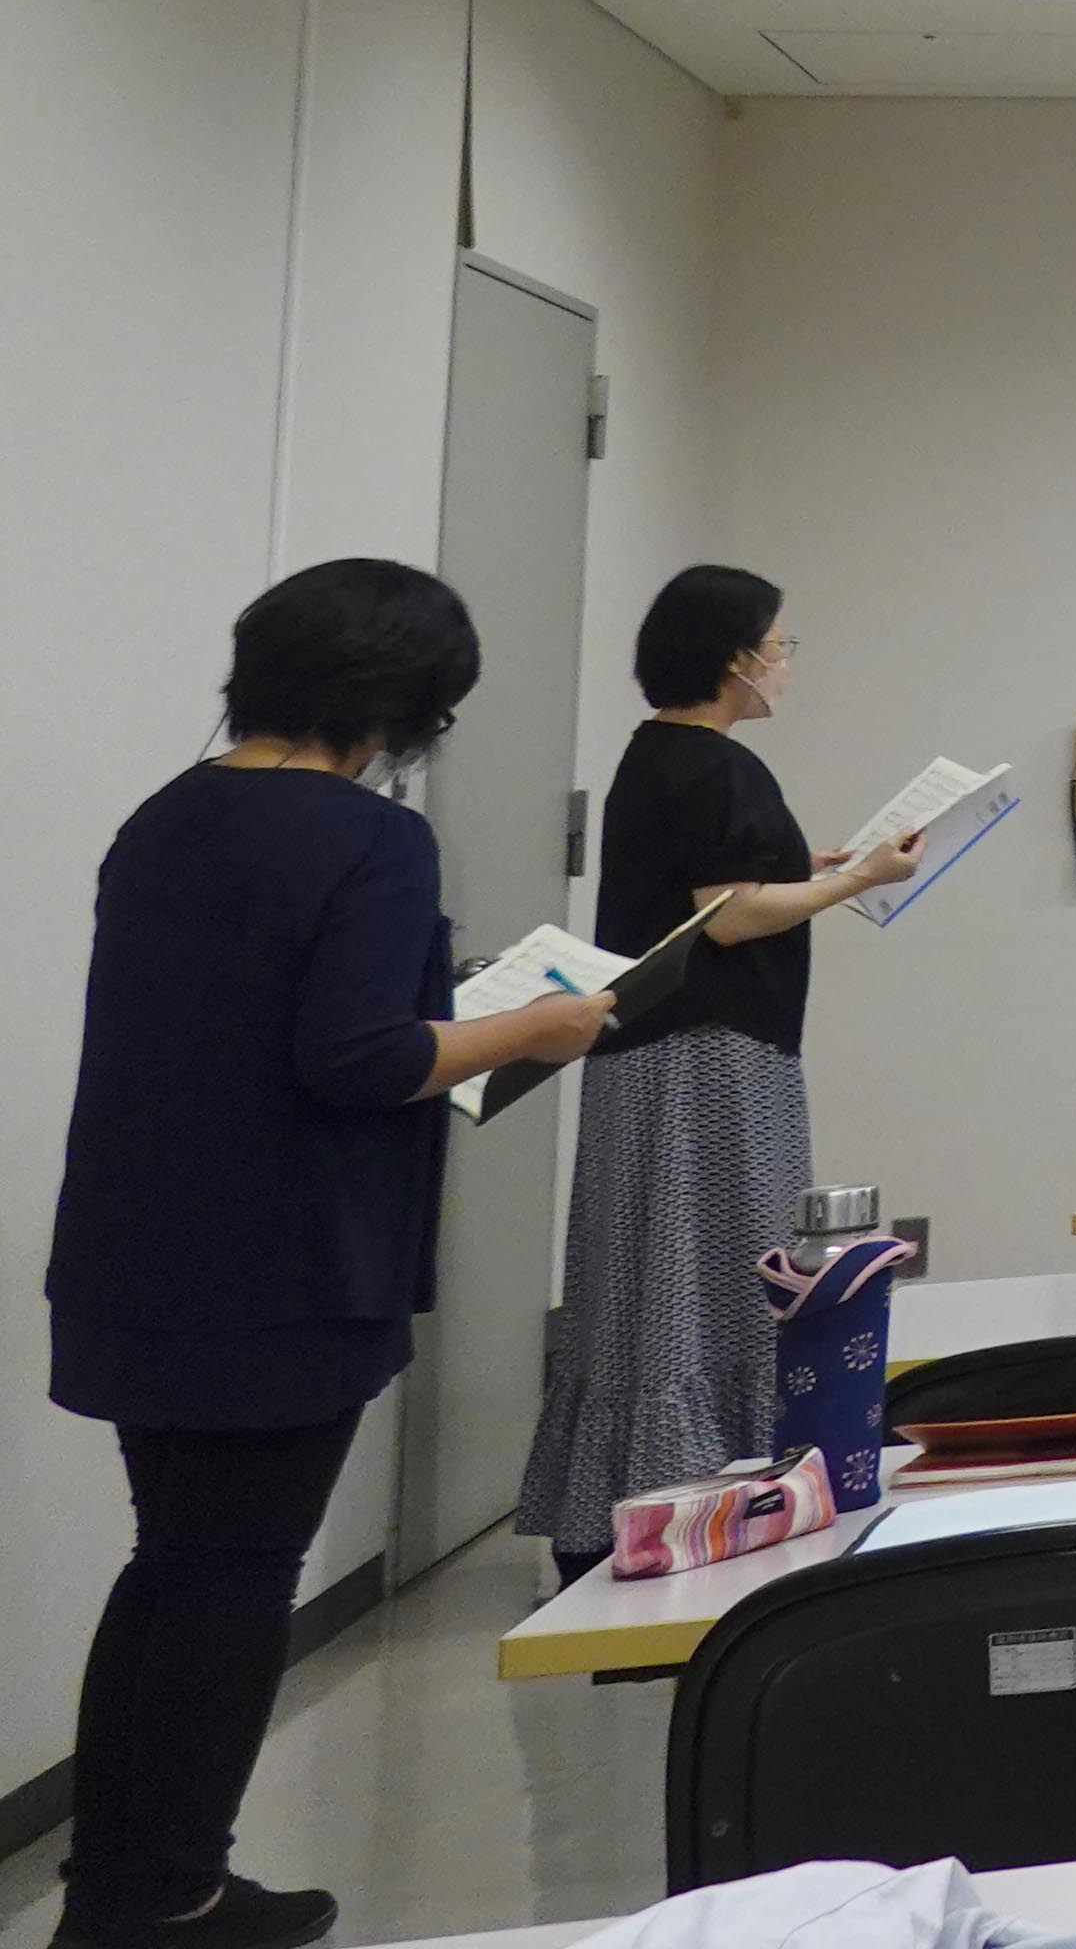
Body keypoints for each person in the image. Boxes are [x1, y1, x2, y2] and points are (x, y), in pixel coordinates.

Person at [46, 563, 617, 1949]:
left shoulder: (164, 818)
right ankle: (165, 1897)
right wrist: (537, 1027)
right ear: (403, 705)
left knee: (174, 1563)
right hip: (286, 1264)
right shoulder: (372, 838)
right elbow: (358, 1059)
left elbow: (251, 1018)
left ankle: (123, 1889)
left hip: (139, 1250)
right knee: (236, 1574)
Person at [516, 566, 917, 1571]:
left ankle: (626, 1503)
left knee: (654, 1281)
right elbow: (729, 914)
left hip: (663, 1055)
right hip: (705, 1065)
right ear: (737, 658)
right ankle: (692, 1497)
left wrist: (814, 869)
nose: (787, 664)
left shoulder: (662, 755)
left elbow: (718, 883)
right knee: (708, 1281)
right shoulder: (711, 764)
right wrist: (861, 880)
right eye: (780, 646)